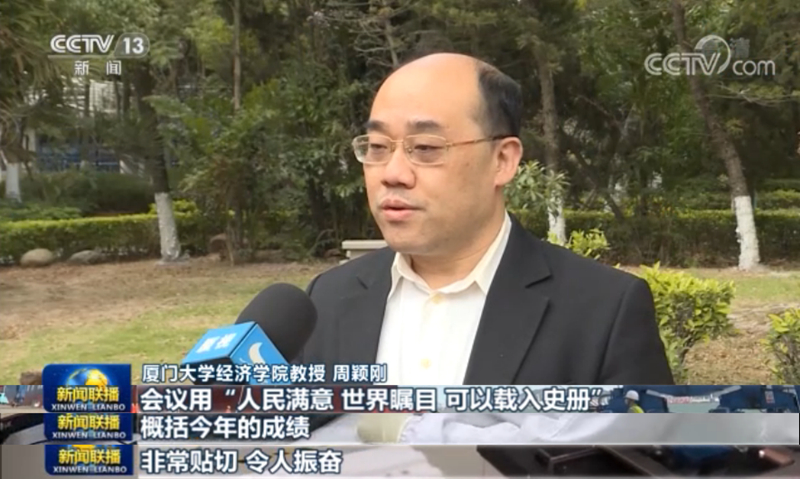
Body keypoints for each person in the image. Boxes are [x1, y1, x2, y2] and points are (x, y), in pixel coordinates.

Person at [298, 52, 673, 388]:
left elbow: (645, 444)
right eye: (378, 147)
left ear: (502, 161)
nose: (392, 173)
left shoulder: (604, 312)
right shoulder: (325, 300)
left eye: (425, 148)